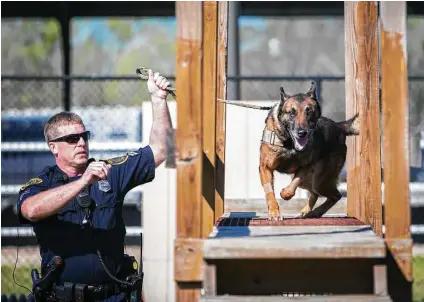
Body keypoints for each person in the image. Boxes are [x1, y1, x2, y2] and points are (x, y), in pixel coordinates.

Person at [17, 69, 173, 302]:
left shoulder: (109, 171)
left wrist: (158, 99)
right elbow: (30, 210)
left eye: (84, 136)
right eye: (72, 139)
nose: (81, 143)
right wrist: (82, 182)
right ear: (53, 148)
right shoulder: (43, 183)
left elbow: (160, 150)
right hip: (62, 297)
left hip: (114, 295)